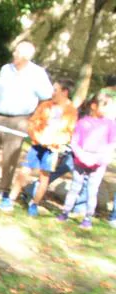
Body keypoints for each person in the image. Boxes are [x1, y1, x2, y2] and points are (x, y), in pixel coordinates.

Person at [0, 41, 53, 196]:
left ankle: (4, 188)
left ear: (26, 56)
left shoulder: (38, 73)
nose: (14, 54)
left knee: (10, 156)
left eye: (17, 52)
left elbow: (48, 95)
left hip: (19, 120)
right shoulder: (5, 69)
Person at [0, 80, 78, 216]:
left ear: (65, 92)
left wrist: (53, 143)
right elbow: (32, 123)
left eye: (56, 90)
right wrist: (37, 137)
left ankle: (34, 204)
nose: (52, 93)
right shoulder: (45, 105)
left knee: (44, 177)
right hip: (37, 145)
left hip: (52, 150)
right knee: (24, 171)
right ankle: (10, 199)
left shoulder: (71, 111)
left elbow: (68, 133)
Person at [56, 90, 116, 229]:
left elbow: (111, 144)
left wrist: (97, 159)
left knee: (92, 190)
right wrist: (82, 156)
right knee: (75, 187)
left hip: (98, 163)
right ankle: (65, 211)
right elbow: (75, 142)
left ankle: (87, 217)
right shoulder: (83, 122)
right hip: (80, 161)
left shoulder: (111, 124)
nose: (108, 109)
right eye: (105, 105)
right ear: (94, 105)